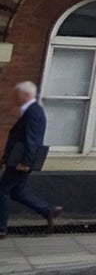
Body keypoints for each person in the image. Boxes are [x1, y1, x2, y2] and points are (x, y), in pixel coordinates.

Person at [2, 82, 63, 239]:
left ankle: (1, 228)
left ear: (26, 95)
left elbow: (32, 140)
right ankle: (48, 210)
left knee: (2, 192)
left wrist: (26, 162)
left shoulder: (33, 112)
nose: (15, 98)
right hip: (17, 159)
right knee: (17, 191)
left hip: (20, 161)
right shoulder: (32, 111)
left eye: (17, 95)